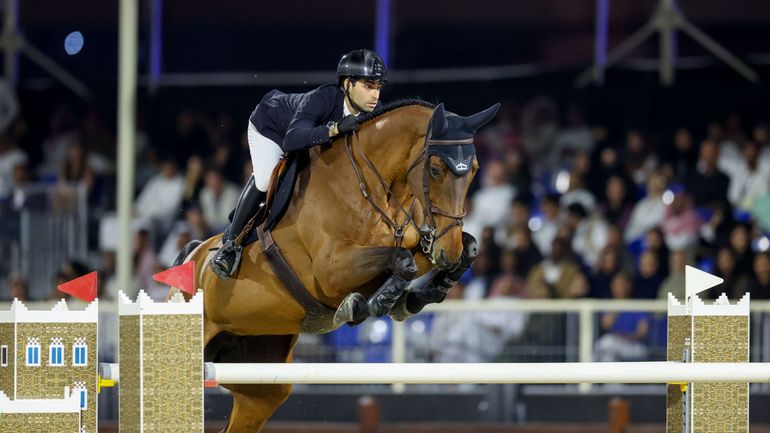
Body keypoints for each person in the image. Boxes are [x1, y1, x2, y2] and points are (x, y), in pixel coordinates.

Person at [210, 49, 388, 279]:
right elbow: (292, 139)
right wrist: (334, 129)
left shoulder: (376, 113)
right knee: (265, 179)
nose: (375, 95)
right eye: (368, 86)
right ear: (347, 84)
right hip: (272, 127)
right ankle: (230, 244)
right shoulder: (324, 97)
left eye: (378, 87)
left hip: (307, 142)